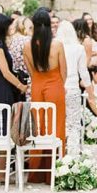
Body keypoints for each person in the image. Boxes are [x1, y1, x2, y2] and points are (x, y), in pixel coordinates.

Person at [22, 9, 67, 183]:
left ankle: (37, 172)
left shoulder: (27, 46)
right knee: (57, 127)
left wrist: (40, 82)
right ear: (48, 25)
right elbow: (64, 71)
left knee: (39, 128)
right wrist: (58, 85)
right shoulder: (57, 45)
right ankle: (55, 172)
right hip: (55, 85)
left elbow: (31, 72)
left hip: (37, 87)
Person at [0, 13, 28, 182]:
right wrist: (20, 86)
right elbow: (6, 72)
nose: (11, 28)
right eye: (8, 25)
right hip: (3, 89)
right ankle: (0, 172)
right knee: (3, 131)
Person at [55, 20, 89, 155]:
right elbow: (84, 72)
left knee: (58, 122)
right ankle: (73, 157)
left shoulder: (55, 47)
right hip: (73, 88)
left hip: (58, 88)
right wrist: (90, 89)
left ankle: (59, 154)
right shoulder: (78, 48)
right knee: (74, 124)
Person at [8, 16, 33, 101]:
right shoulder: (28, 40)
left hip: (15, 80)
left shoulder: (11, 40)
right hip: (28, 79)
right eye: (30, 28)